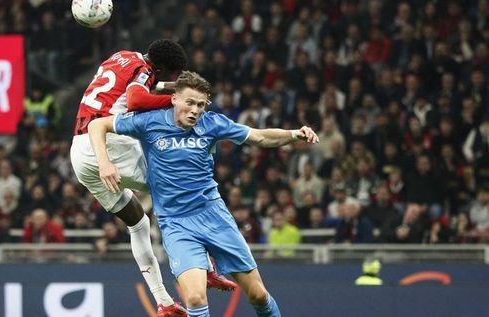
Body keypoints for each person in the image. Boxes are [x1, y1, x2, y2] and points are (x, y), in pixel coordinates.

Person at [88, 71, 320, 317]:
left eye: (201, 104)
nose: (195, 110)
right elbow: (97, 125)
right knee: (196, 298)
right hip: (176, 224)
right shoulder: (149, 122)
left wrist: (294, 134)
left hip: (214, 216)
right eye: (189, 102)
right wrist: (104, 162)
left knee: (258, 294)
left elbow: (259, 136)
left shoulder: (212, 123)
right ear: (174, 98)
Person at [70, 40, 234, 317]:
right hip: (110, 145)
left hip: (81, 152)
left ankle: (164, 301)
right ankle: (203, 267)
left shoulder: (122, 56)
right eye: (170, 75)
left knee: (138, 221)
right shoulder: (145, 69)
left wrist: (174, 89)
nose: (171, 80)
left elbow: (135, 89)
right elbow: (135, 99)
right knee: (183, 189)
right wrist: (175, 102)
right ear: (158, 67)